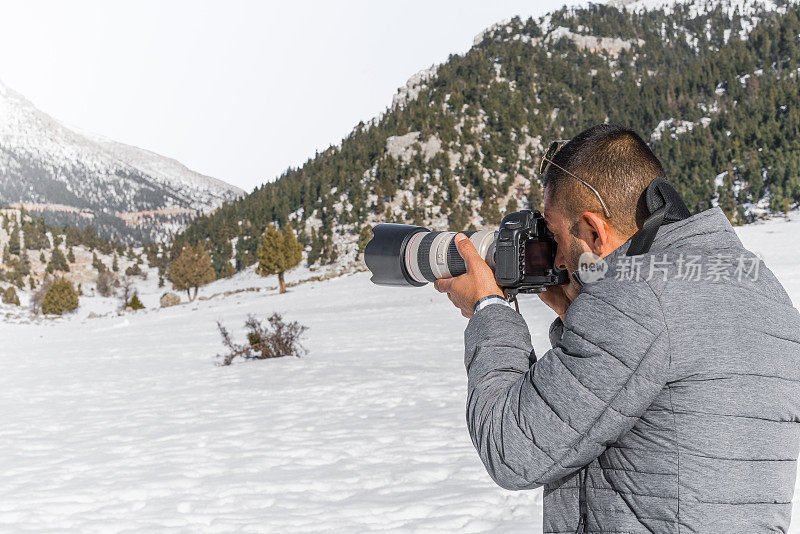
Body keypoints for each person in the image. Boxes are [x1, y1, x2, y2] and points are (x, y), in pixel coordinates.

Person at [434, 123, 800, 533]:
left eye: (555, 236)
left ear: (594, 230)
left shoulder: (637, 295)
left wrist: (489, 309)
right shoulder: (756, 282)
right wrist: (580, 318)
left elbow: (512, 450)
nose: (555, 260)